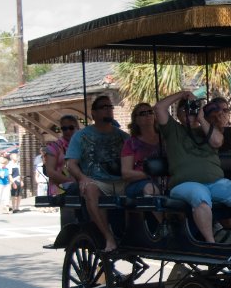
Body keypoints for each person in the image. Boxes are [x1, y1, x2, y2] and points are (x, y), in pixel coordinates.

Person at [155, 90, 231, 244]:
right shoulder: (173, 129)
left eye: (193, 109)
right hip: (184, 184)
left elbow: (217, 142)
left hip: (215, 183)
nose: (190, 113)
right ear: (178, 113)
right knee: (200, 195)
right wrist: (182, 94)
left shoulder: (207, 129)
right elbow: (159, 108)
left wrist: (201, 117)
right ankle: (211, 243)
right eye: (186, 109)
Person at [65, 95, 129, 253]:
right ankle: (108, 237)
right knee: (90, 189)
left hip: (122, 180)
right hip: (97, 181)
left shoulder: (123, 136)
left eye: (110, 107)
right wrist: (82, 178)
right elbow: (71, 163)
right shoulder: (81, 136)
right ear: (93, 113)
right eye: (104, 107)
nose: (108, 110)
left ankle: (134, 235)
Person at [121, 102, 162, 197]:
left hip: (167, 181)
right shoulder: (130, 143)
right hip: (140, 183)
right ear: (136, 120)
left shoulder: (164, 139)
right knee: (151, 189)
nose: (148, 115)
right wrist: (151, 174)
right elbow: (126, 173)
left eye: (150, 112)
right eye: (143, 113)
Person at [45, 115, 79, 195]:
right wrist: (70, 180)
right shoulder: (54, 146)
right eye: (64, 129)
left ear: (77, 127)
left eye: (71, 128)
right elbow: (50, 171)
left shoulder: (83, 144)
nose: (67, 131)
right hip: (61, 190)